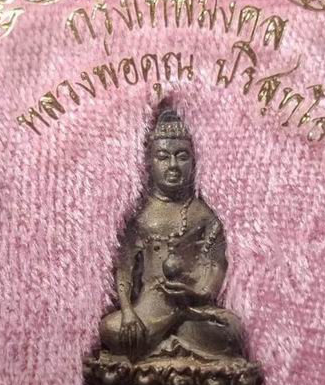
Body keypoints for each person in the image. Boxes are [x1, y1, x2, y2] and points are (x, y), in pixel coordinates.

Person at [99, 108, 245, 361]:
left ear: (193, 163)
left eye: (182, 156)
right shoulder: (139, 215)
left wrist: (196, 291)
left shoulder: (203, 216)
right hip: (149, 309)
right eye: (163, 157)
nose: (174, 166)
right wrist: (128, 313)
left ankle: (166, 342)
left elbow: (215, 265)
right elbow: (124, 269)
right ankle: (172, 341)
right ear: (149, 164)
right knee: (109, 329)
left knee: (232, 331)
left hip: (191, 310)